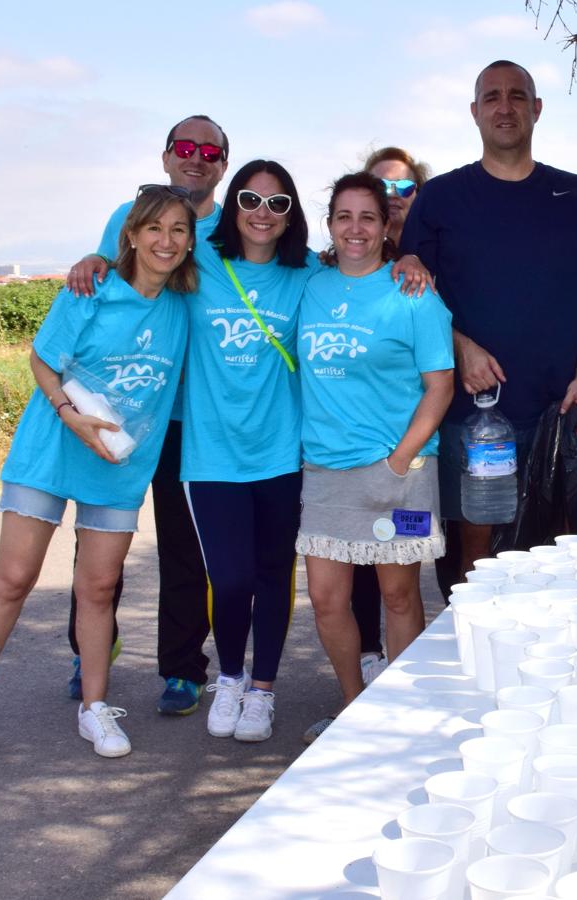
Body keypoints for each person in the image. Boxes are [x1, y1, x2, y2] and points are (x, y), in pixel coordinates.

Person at [0, 186, 198, 775]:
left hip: (118, 462)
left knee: (99, 589)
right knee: (13, 579)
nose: (166, 241)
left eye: (179, 231)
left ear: (190, 244)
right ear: (129, 235)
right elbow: (42, 357)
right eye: (154, 229)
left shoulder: (184, 307)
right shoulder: (91, 288)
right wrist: (67, 412)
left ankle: (95, 705)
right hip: (54, 448)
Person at [400, 60, 577, 586]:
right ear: (474, 112)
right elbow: (409, 303)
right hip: (469, 420)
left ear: (536, 109)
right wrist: (459, 346)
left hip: (556, 416)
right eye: (492, 97)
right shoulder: (442, 198)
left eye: (517, 96)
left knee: (560, 567)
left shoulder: (576, 196)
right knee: (474, 572)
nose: (505, 107)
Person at [63, 115, 229, 716]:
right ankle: (91, 649)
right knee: (98, 539)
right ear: (165, 157)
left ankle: (184, 668)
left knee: (187, 547)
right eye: (185, 147)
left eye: (210, 151)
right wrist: (90, 258)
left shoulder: (232, 224)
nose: (197, 157)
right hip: (124, 408)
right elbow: (106, 278)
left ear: (222, 165)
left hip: (193, 418)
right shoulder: (124, 218)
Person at [299, 172, 454, 740]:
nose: (356, 229)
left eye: (369, 217)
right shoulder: (310, 286)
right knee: (325, 598)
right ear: (331, 224)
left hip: (403, 473)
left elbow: (440, 385)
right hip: (325, 472)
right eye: (344, 217)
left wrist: (396, 462)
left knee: (397, 592)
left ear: (386, 223)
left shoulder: (413, 293)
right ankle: (353, 710)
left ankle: (400, 715)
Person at [185, 159, 312, 743]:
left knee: (271, 574)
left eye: (278, 204)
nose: (263, 213)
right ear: (232, 205)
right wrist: (93, 263)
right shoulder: (199, 264)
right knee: (229, 578)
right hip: (212, 456)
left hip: (281, 455)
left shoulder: (308, 274)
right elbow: (138, 271)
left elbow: (364, 281)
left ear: (290, 218)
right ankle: (229, 678)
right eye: (252, 200)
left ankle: (262, 690)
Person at [346, 146, 433, 689]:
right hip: (345, 459)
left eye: (404, 190)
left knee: (402, 577)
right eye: (383, 191)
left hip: (415, 454)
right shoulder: (337, 266)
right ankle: (367, 662)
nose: (393, 200)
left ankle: (411, 685)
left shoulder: (430, 261)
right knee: (355, 570)